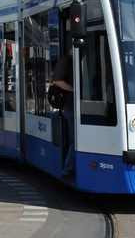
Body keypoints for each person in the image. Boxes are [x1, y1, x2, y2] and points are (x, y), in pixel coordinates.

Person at [51, 48, 75, 181]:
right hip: (69, 107)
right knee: (75, 140)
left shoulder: (73, 61)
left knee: (75, 140)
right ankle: (67, 169)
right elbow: (56, 80)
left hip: (71, 107)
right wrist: (74, 90)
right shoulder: (65, 61)